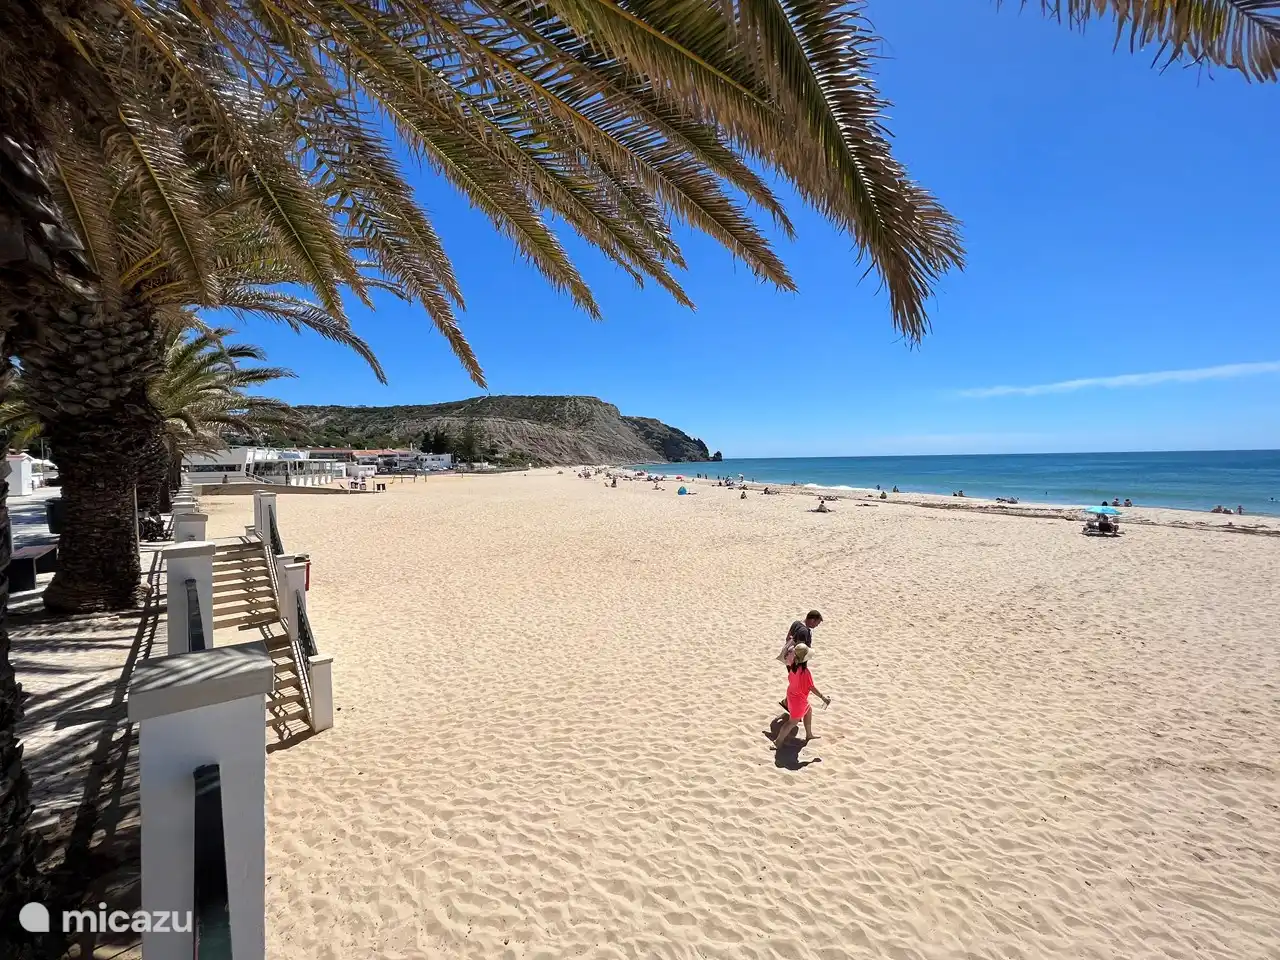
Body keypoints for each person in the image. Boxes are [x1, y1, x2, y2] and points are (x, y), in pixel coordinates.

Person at [773, 645, 830, 748]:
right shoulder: (805, 672)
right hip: (798, 700)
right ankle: (778, 742)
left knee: (808, 711)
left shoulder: (792, 665)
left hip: (792, 695)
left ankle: (809, 734)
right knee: (791, 723)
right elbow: (812, 687)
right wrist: (823, 697)